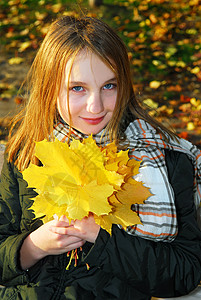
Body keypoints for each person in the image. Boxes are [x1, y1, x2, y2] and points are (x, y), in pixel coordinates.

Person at [0, 15, 201, 300]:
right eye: (77, 88)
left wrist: (102, 239)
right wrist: (32, 247)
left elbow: (185, 273)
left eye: (109, 86)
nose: (95, 107)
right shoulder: (29, 150)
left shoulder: (165, 158)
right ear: (49, 88)